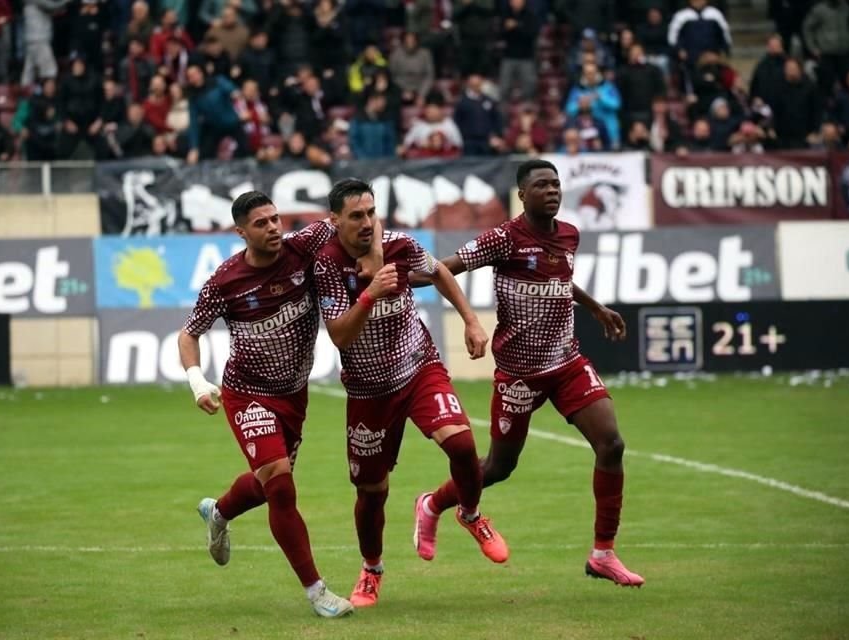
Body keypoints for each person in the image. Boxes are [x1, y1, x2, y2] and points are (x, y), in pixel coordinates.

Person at [412, 159, 645, 588]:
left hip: (567, 363)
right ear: (522, 195)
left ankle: (603, 554)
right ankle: (432, 504)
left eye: (556, 184)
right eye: (541, 185)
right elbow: (446, 267)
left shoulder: (569, 235)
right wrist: (396, 278)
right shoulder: (504, 238)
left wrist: (594, 307)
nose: (552, 191)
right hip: (519, 374)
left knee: (611, 444)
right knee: (499, 468)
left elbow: (559, 277)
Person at [178, 190, 382, 618]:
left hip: (294, 394)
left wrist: (375, 255)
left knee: (265, 482)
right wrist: (198, 381)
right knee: (282, 487)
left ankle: (219, 512)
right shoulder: (225, 281)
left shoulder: (303, 246)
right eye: (261, 223)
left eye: (275, 219)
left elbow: (360, 221)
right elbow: (189, 333)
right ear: (241, 232)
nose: (273, 228)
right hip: (247, 393)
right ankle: (318, 592)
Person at [313, 179, 509, 609]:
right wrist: (370, 294)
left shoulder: (400, 244)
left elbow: (438, 270)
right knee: (371, 491)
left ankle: (470, 515)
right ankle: (372, 569)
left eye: (371, 213)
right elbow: (340, 338)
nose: (367, 223)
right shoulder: (327, 264)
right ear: (335, 221)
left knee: (461, 443)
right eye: (356, 216)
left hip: (418, 368)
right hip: (368, 391)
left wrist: (471, 321)